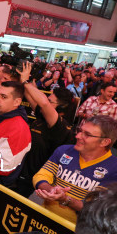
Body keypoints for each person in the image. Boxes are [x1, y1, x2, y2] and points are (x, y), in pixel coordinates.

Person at [34, 116, 117, 223]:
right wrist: (51, 190)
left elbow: (96, 209)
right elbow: (40, 176)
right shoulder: (64, 150)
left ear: (104, 142)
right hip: (42, 217)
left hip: (77, 232)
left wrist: (66, 199)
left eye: (87, 134)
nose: (78, 136)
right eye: (79, 131)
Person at [19, 63, 75, 198]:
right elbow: (30, 96)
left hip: (30, 177)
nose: (46, 103)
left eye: (51, 101)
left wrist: (26, 82)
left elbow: (43, 102)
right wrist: (26, 80)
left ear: (62, 108)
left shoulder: (59, 125)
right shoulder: (43, 116)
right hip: (20, 170)